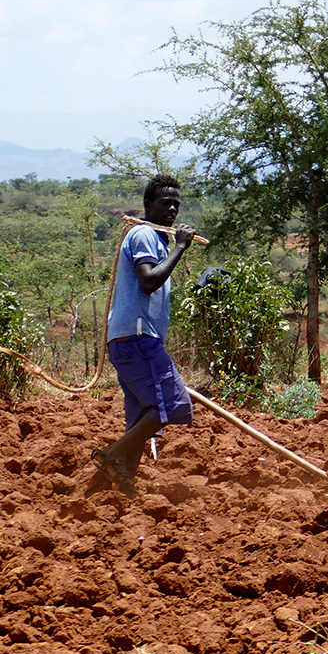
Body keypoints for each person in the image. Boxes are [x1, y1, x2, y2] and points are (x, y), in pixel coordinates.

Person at [92, 174, 197, 495]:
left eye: (176, 204)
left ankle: (115, 487)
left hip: (129, 340)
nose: (172, 209)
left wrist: (172, 245)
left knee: (144, 417)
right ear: (148, 205)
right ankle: (110, 455)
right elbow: (148, 281)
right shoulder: (144, 235)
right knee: (175, 405)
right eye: (166, 202)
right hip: (137, 339)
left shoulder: (155, 239)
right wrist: (180, 247)